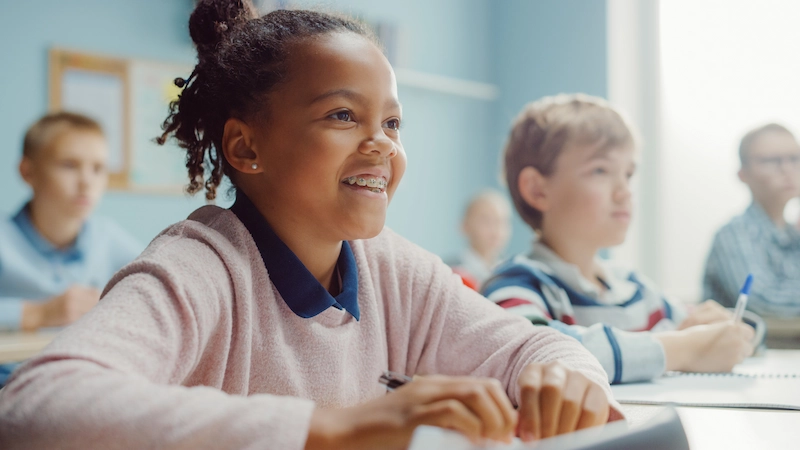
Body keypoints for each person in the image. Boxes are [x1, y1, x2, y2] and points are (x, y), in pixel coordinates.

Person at [0, 3, 623, 449]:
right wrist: (329, 428)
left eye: (393, 123)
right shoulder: (198, 267)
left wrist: (563, 379)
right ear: (246, 149)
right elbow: (33, 408)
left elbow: (531, 347)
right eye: (344, 115)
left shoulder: (394, 268)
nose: (381, 144)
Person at [482, 94, 755, 385]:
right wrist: (685, 348)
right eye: (600, 171)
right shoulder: (516, 284)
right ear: (538, 190)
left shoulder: (634, 289)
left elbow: (729, 336)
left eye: (628, 174)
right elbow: (531, 357)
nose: (624, 191)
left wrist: (731, 331)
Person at [0, 112, 141, 384]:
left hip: (86, 382)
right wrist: (37, 314)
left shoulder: (107, 236)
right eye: (69, 165)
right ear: (27, 172)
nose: (87, 182)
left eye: (98, 168)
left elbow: (154, 284)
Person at [703, 123, 800, 316]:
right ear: (743, 174)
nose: (787, 169)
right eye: (771, 161)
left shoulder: (793, 234)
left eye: (795, 159)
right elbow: (763, 300)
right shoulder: (733, 234)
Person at [448, 190, 512, 289]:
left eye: (501, 222)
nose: (496, 231)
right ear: (465, 226)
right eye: (486, 221)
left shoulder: (512, 274)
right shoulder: (448, 273)